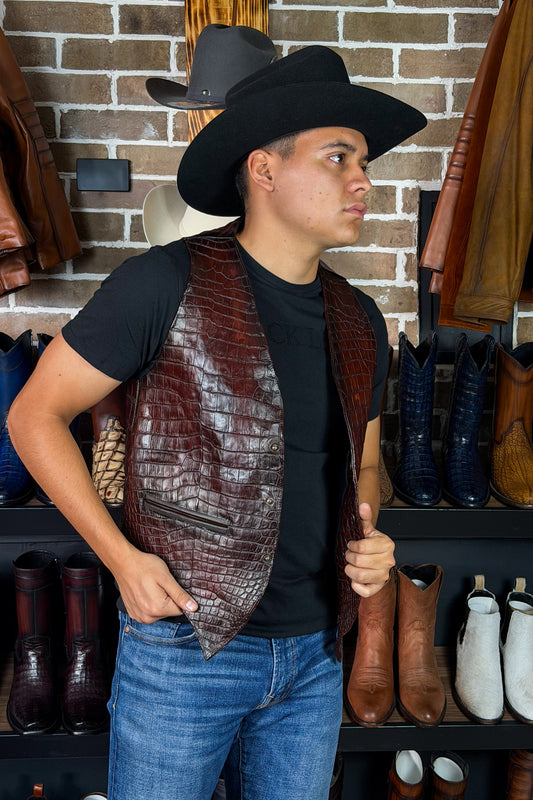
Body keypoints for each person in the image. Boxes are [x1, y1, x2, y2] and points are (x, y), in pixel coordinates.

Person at [8, 45, 426, 800]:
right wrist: (120, 560)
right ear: (263, 169)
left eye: (363, 162)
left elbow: (363, 463)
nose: (364, 181)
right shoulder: (161, 281)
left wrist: (368, 538)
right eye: (338, 157)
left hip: (314, 657)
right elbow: (35, 415)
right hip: (184, 649)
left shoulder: (360, 319)